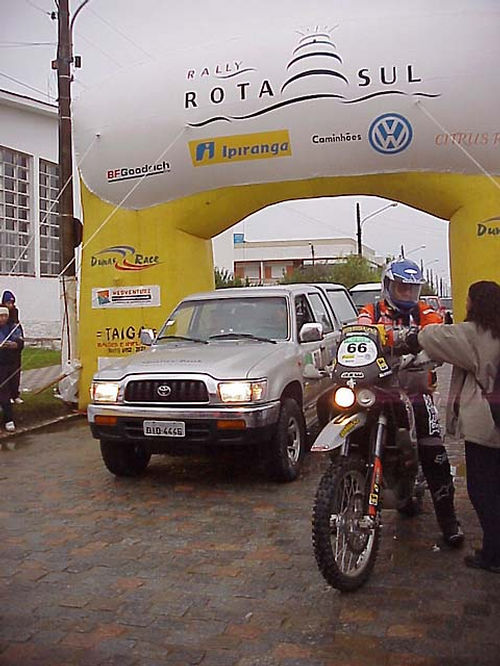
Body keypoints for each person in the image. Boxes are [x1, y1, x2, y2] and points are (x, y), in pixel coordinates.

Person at [358, 258, 464, 547]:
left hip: (416, 391)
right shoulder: (372, 310)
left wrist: (425, 342)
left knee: (434, 450)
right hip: (377, 388)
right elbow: (359, 331)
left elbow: (436, 333)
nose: (406, 294)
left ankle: (449, 520)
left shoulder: (424, 311)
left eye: (411, 289)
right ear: (388, 286)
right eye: (401, 288)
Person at [414, 280, 500, 572]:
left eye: (467, 299)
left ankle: (493, 555)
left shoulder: (475, 333)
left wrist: (412, 335)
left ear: (476, 303)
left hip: (487, 423)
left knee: (482, 490)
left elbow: (435, 337)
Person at [0, 305, 24, 432]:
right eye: (1, 316)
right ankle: (8, 419)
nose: (3, 318)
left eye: (5, 316)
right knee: (3, 390)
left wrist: (16, 344)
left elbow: (20, 341)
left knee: (7, 390)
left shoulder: (12, 327)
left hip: (10, 363)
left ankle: (9, 419)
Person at [1, 290, 23, 404]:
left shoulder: (15, 316)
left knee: (15, 374)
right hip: (4, 353)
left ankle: (15, 394)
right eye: (8, 302)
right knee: (5, 375)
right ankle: (7, 396)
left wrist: (18, 344)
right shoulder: (2, 318)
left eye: (12, 303)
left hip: (15, 353)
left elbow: (19, 332)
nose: (10, 305)